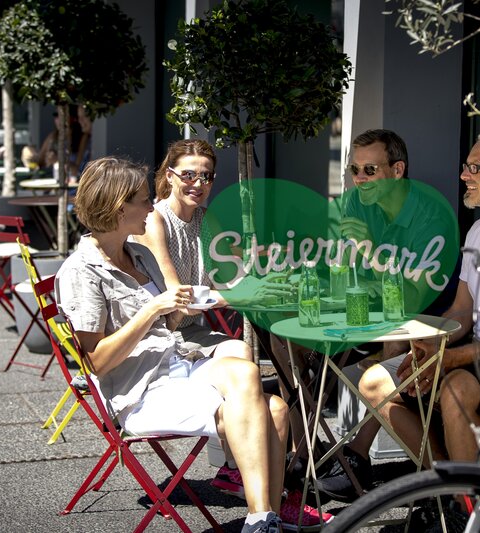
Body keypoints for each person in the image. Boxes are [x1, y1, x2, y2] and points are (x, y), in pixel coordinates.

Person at [54, 156, 292, 533]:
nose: (152, 206)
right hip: (139, 391)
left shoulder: (139, 255)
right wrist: (150, 310)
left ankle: (264, 518)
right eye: (144, 200)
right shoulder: (82, 272)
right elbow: (95, 362)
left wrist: (240, 291)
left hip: (176, 364)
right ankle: (264, 518)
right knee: (274, 410)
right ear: (119, 209)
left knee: (247, 371)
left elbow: (176, 308)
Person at [318, 128, 480, 508]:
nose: (464, 175)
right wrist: (430, 342)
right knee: (377, 381)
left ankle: (464, 506)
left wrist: (451, 356)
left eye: (474, 167)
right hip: (474, 353)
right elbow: (462, 309)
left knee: (456, 388)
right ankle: (449, 491)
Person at [132, 140, 331, 529]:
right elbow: (179, 301)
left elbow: (237, 275)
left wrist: (271, 282)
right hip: (164, 335)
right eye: (188, 173)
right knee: (243, 357)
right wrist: (242, 293)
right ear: (168, 174)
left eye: (206, 175)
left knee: (247, 357)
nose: (198, 182)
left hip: (197, 333)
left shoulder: (208, 220)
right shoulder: (154, 220)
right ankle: (248, 475)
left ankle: (249, 480)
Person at [314, 129, 460, 501]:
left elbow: (411, 298)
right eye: (355, 171)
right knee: (291, 343)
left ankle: (356, 457)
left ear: (397, 170)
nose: (359, 180)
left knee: (397, 337)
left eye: (369, 170)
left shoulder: (430, 216)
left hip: (430, 316)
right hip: (374, 310)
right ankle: (302, 455)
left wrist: (366, 249)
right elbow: (340, 271)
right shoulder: (356, 203)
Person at [21, 105, 92, 182]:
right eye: (56, 115)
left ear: (72, 118)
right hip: (57, 183)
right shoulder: (53, 137)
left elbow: (77, 171)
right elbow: (39, 162)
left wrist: (58, 159)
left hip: (74, 185)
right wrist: (31, 156)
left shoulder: (82, 137)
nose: (58, 119)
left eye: (62, 115)